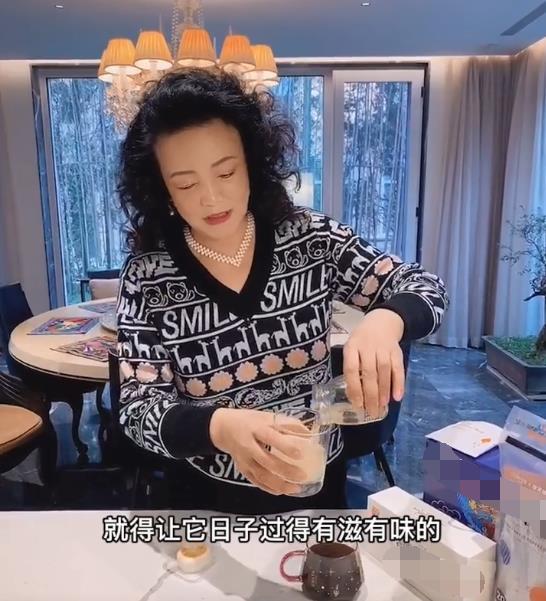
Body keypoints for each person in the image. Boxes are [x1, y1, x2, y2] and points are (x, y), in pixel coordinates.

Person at [116, 67, 448, 514]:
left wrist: (387, 320)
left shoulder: (310, 238)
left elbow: (425, 286)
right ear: (162, 190)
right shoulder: (148, 276)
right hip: (210, 500)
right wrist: (220, 428)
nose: (211, 197)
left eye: (226, 172)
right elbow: (137, 408)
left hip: (314, 482)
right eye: (186, 183)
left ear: (252, 164)